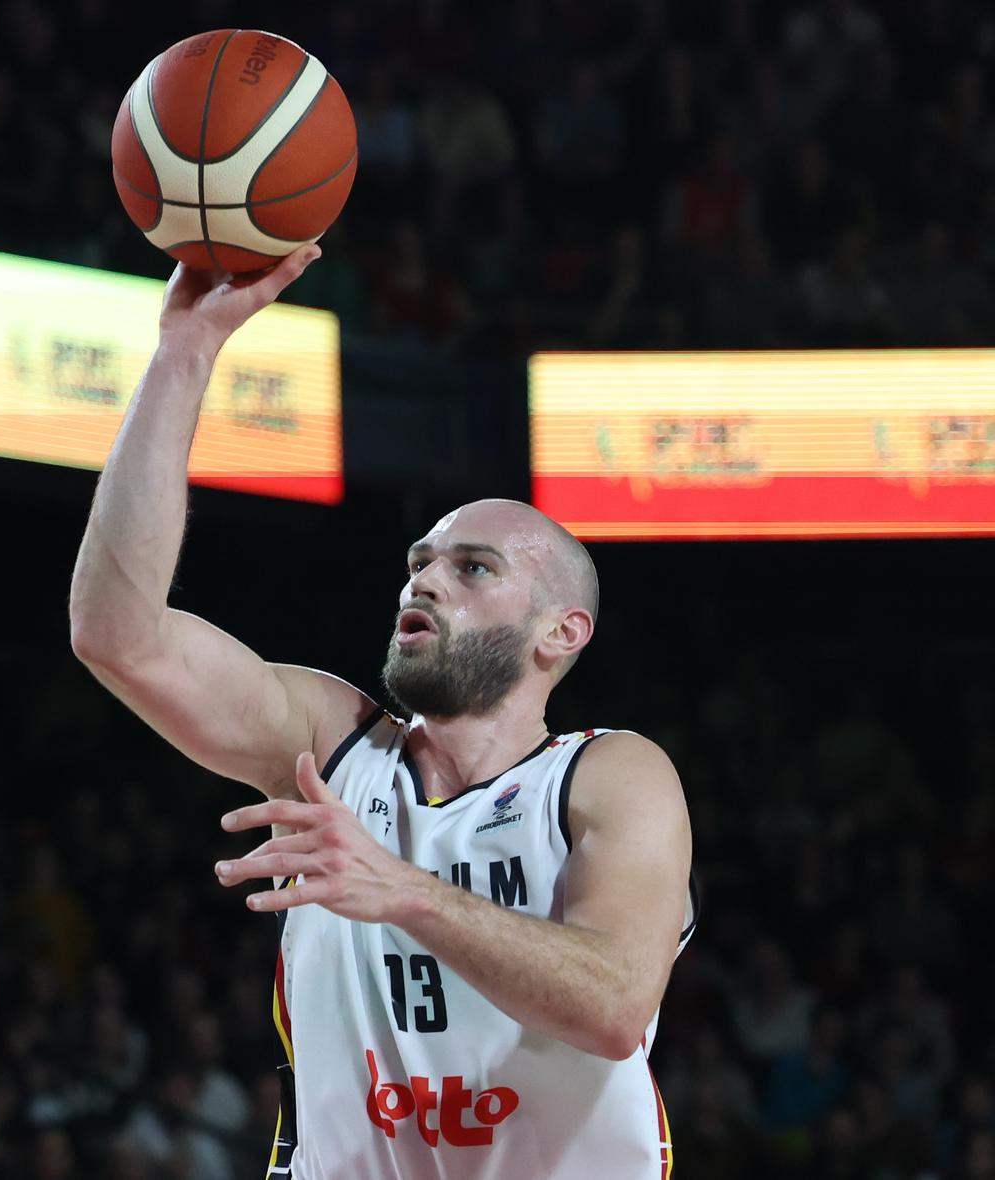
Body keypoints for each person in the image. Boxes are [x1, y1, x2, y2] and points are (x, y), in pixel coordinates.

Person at [68, 250, 697, 1178]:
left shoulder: (608, 774)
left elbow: (613, 1006)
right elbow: (118, 635)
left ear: (560, 633)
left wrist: (402, 888)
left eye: (472, 568)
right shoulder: (331, 745)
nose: (425, 580)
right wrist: (184, 352)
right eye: (419, 563)